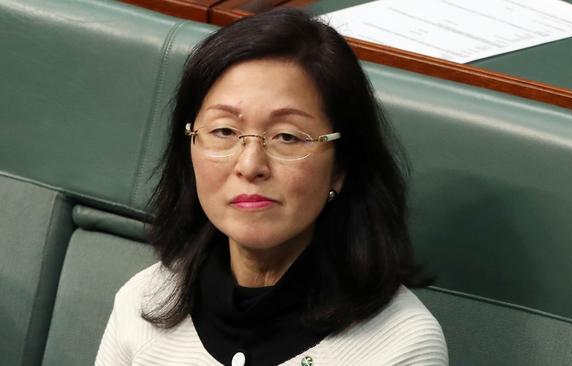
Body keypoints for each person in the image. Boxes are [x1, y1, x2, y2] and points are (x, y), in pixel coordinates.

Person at [96, 8, 447, 366]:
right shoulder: (145, 301)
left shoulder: (401, 345)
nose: (250, 166)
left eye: (287, 137)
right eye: (224, 132)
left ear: (342, 167)